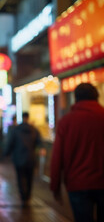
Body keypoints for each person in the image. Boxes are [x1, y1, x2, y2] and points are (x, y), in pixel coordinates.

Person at [50, 83, 104, 222]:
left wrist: (55, 186)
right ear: (97, 97)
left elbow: (57, 157)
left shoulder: (66, 122)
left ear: (76, 98)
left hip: (77, 183)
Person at [4, 112, 42, 207]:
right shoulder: (34, 130)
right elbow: (39, 142)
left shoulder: (16, 130)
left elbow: (10, 143)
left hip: (18, 158)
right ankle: (28, 196)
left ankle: (23, 197)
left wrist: (6, 153)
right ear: (28, 118)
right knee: (30, 178)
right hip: (31, 158)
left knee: (20, 178)